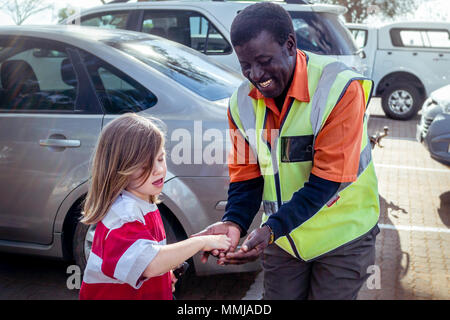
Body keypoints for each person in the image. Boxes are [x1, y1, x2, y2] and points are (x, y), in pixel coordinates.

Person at [193, 2, 380, 300]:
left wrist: (269, 231)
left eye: (264, 60)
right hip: (285, 240)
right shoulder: (240, 104)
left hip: (342, 238)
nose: (255, 74)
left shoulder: (339, 89)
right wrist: (234, 222)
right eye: (245, 65)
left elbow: (327, 181)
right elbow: (246, 177)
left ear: (290, 45)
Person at [79, 113, 231, 300]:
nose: (158, 169)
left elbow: (144, 259)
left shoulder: (142, 201)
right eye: (144, 166)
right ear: (119, 169)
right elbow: (149, 263)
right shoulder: (123, 214)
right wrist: (202, 242)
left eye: (160, 159)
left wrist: (164, 273)